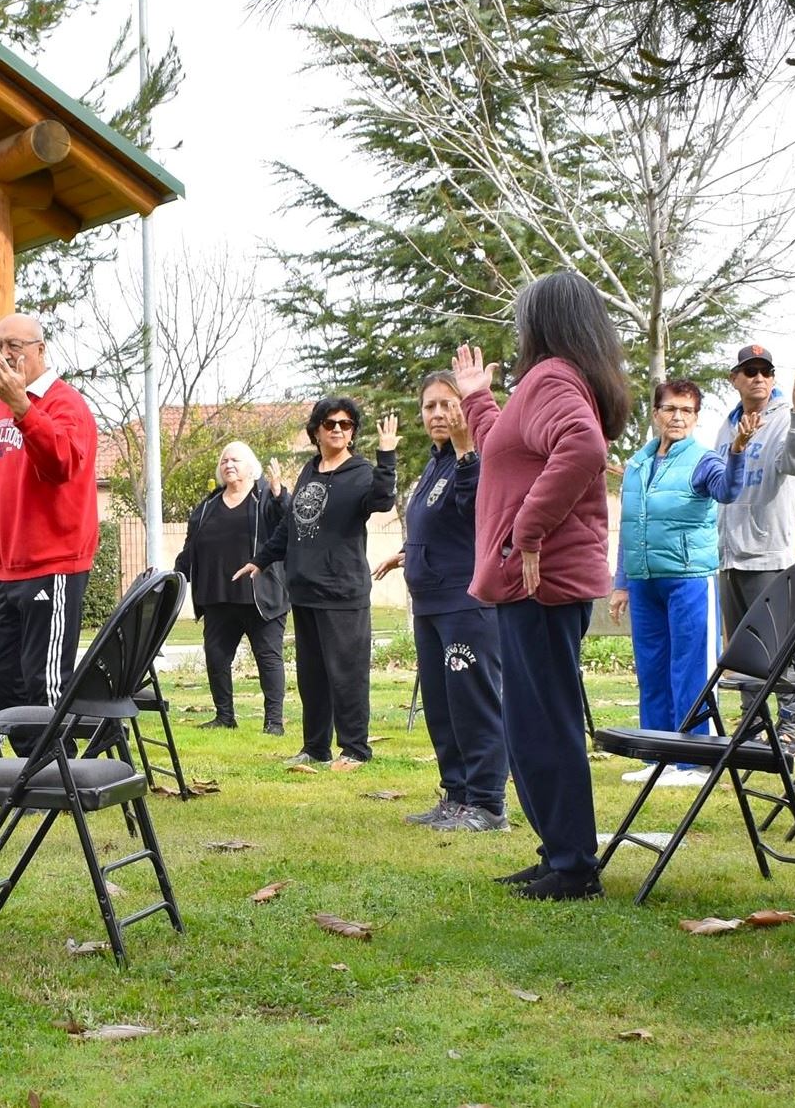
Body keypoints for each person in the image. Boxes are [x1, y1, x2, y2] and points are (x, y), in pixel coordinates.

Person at [455, 271, 631, 902]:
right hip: (531, 584)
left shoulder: (552, 377)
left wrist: (526, 532)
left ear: (546, 323)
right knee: (533, 721)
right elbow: (508, 449)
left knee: (543, 722)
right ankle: (560, 851)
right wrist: (478, 399)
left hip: (540, 581)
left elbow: (580, 448)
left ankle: (575, 867)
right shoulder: (553, 381)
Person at [372, 372, 508, 831]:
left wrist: (468, 450)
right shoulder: (437, 462)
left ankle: (488, 805)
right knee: (442, 704)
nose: (438, 414)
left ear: (466, 406)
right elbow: (438, 522)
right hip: (430, 603)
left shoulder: (478, 456)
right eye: (429, 406)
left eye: (447, 404)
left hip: (466, 601)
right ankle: (456, 796)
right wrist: (407, 554)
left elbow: (479, 510)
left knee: (474, 702)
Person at [236, 397, 397, 769]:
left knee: (347, 675)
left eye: (346, 423)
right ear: (316, 431)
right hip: (304, 591)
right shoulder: (310, 470)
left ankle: (355, 749)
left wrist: (386, 457)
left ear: (353, 431)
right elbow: (290, 526)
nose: (338, 429)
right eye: (330, 423)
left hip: (342, 591)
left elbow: (383, 501)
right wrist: (260, 560)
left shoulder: (360, 472)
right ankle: (315, 747)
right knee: (312, 677)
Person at [609, 378, 751, 789]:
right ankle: (658, 755)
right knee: (652, 671)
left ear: (695, 417)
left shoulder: (704, 460)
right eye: (670, 409)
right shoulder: (637, 464)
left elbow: (728, 489)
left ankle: (695, 760)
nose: (677, 417)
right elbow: (630, 525)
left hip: (689, 579)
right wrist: (621, 582)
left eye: (686, 411)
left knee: (691, 669)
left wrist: (738, 453)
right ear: (656, 414)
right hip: (644, 582)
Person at [0, 312, 98, 734]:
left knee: (43, 684)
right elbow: (1, 489)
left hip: (53, 566)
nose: (5, 355)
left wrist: (24, 406)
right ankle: (33, 776)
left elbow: (61, 464)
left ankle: (57, 783)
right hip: (7, 571)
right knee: (4, 683)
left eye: (15, 346)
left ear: (40, 350)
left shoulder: (66, 403)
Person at [175, 441, 289, 734]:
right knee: (216, 658)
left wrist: (279, 495)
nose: (228, 465)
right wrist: (176, 576)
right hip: (217, 597)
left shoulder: (264, 497)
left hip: (260, 596)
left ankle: (273, 722)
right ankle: (224, 717)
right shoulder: (208, 506)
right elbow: (191, 547)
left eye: (235, 460)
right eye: (224, 461)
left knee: (268, 659)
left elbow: (287, 524)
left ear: (251, 467)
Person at [712, 345, 795, 639]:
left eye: (766, 372)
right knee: (743, 660)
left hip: (766, 562)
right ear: (734, 379)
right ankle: (750, 689)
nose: (759, 377)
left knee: (775, 658)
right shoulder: (726, 427)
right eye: (750, 371)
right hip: (729, 560)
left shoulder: (786, 418)